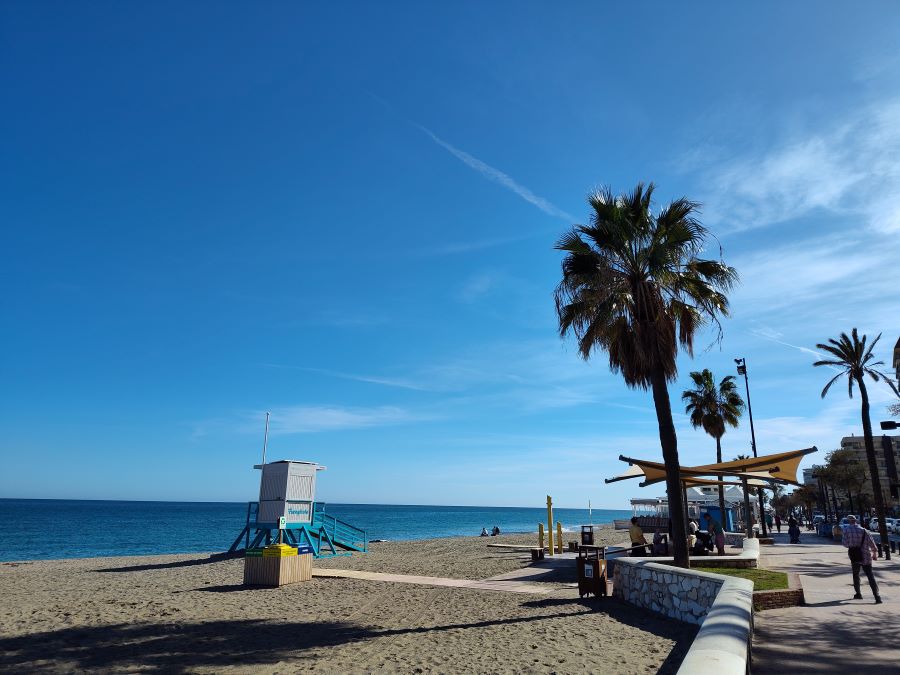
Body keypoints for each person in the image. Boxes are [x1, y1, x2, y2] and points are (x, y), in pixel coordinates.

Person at [841, 515, 881, 603]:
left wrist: (852, 544)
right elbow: (872, 543)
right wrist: (874, 553)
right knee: (870, 576)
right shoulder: (864, 531)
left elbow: (845, 544)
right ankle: (877, 597)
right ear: (856, 521)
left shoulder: (846, 530)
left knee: (856, 575)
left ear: (849, 521)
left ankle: (858, 594)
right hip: (866, 556)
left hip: (854, 555)